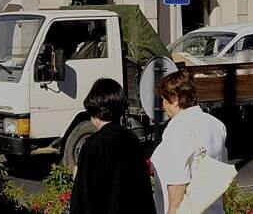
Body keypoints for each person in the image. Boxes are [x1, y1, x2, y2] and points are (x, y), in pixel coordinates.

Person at [70, 78, 155, 214]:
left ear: (94, 110)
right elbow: (144, 192)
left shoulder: (94, 145)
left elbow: (84, 200)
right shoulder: (132, 140)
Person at [150, 69, 228, 214]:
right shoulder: (216, 125)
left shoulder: (178, 128)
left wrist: (173, 210)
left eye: (164, 100)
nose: (163, 106)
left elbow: (177, 181)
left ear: (175, 100)